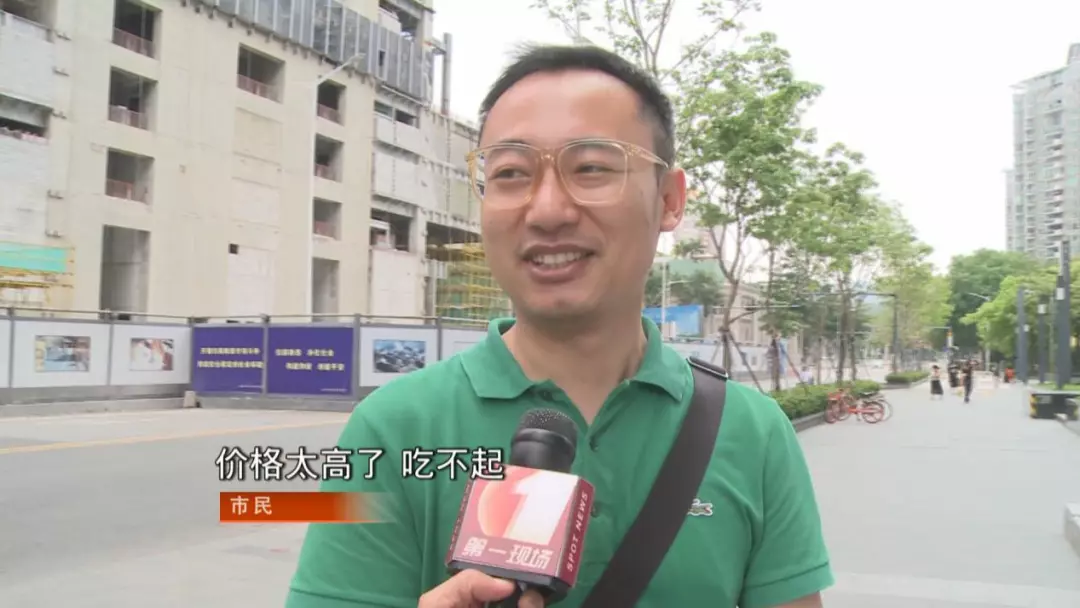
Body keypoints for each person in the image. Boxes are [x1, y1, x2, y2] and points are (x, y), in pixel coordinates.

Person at [285, 45, 832, 608]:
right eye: (510, 173)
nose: (547, 210)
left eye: (591, 168)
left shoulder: (753, 432)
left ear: (669, 199)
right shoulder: (394, 427)